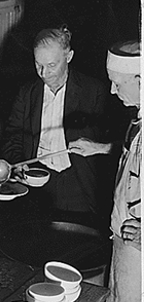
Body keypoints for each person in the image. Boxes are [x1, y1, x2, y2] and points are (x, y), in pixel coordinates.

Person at [1, 26, 110, 221]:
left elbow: (115, 143)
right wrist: (18, 163)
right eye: (38, 64)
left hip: (78, 184)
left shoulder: (94, 91)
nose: (44, 73)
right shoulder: (27, 93)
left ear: (69, 57)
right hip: (38, 181)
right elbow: (13, 135)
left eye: (51, 65)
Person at [69, 40, 141, 302]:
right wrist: (97, 148)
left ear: (140, 81)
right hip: (124, 239)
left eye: (117, 83)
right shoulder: (138, 119)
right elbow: (133, 156)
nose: (112, 90)